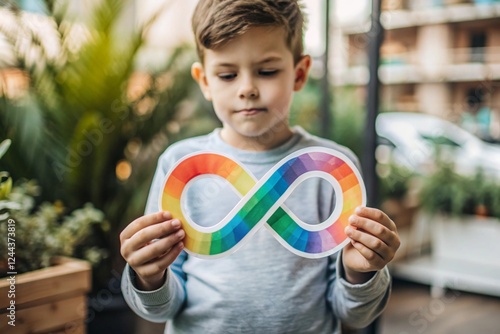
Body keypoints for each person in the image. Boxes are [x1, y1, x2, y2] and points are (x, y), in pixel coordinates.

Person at [120, 1, 400, 333]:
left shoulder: (334, 170)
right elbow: (163, 308)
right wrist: (149, 276)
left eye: (267, 71)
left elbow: (353, 314)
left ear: (299, 73)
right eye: (227, 74)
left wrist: (359, 273)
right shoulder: (178, 165)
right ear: (204, 80)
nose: (247, 89)